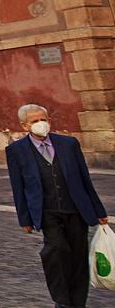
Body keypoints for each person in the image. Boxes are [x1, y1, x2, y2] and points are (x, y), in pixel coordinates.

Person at [7, 103, 108, 308]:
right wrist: (24, 218)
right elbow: (18, 186)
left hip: (75, 208)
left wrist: (99, 211)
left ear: (49, 121)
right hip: (46, 210)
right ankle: (62, 301)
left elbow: (84, 179)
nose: (40, 124)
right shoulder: (16, 150)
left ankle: (78, 302)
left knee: (78, 256)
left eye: (43, 119)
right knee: (56, 251)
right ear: (25, 125)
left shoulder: (69, 144)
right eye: (34, 121)